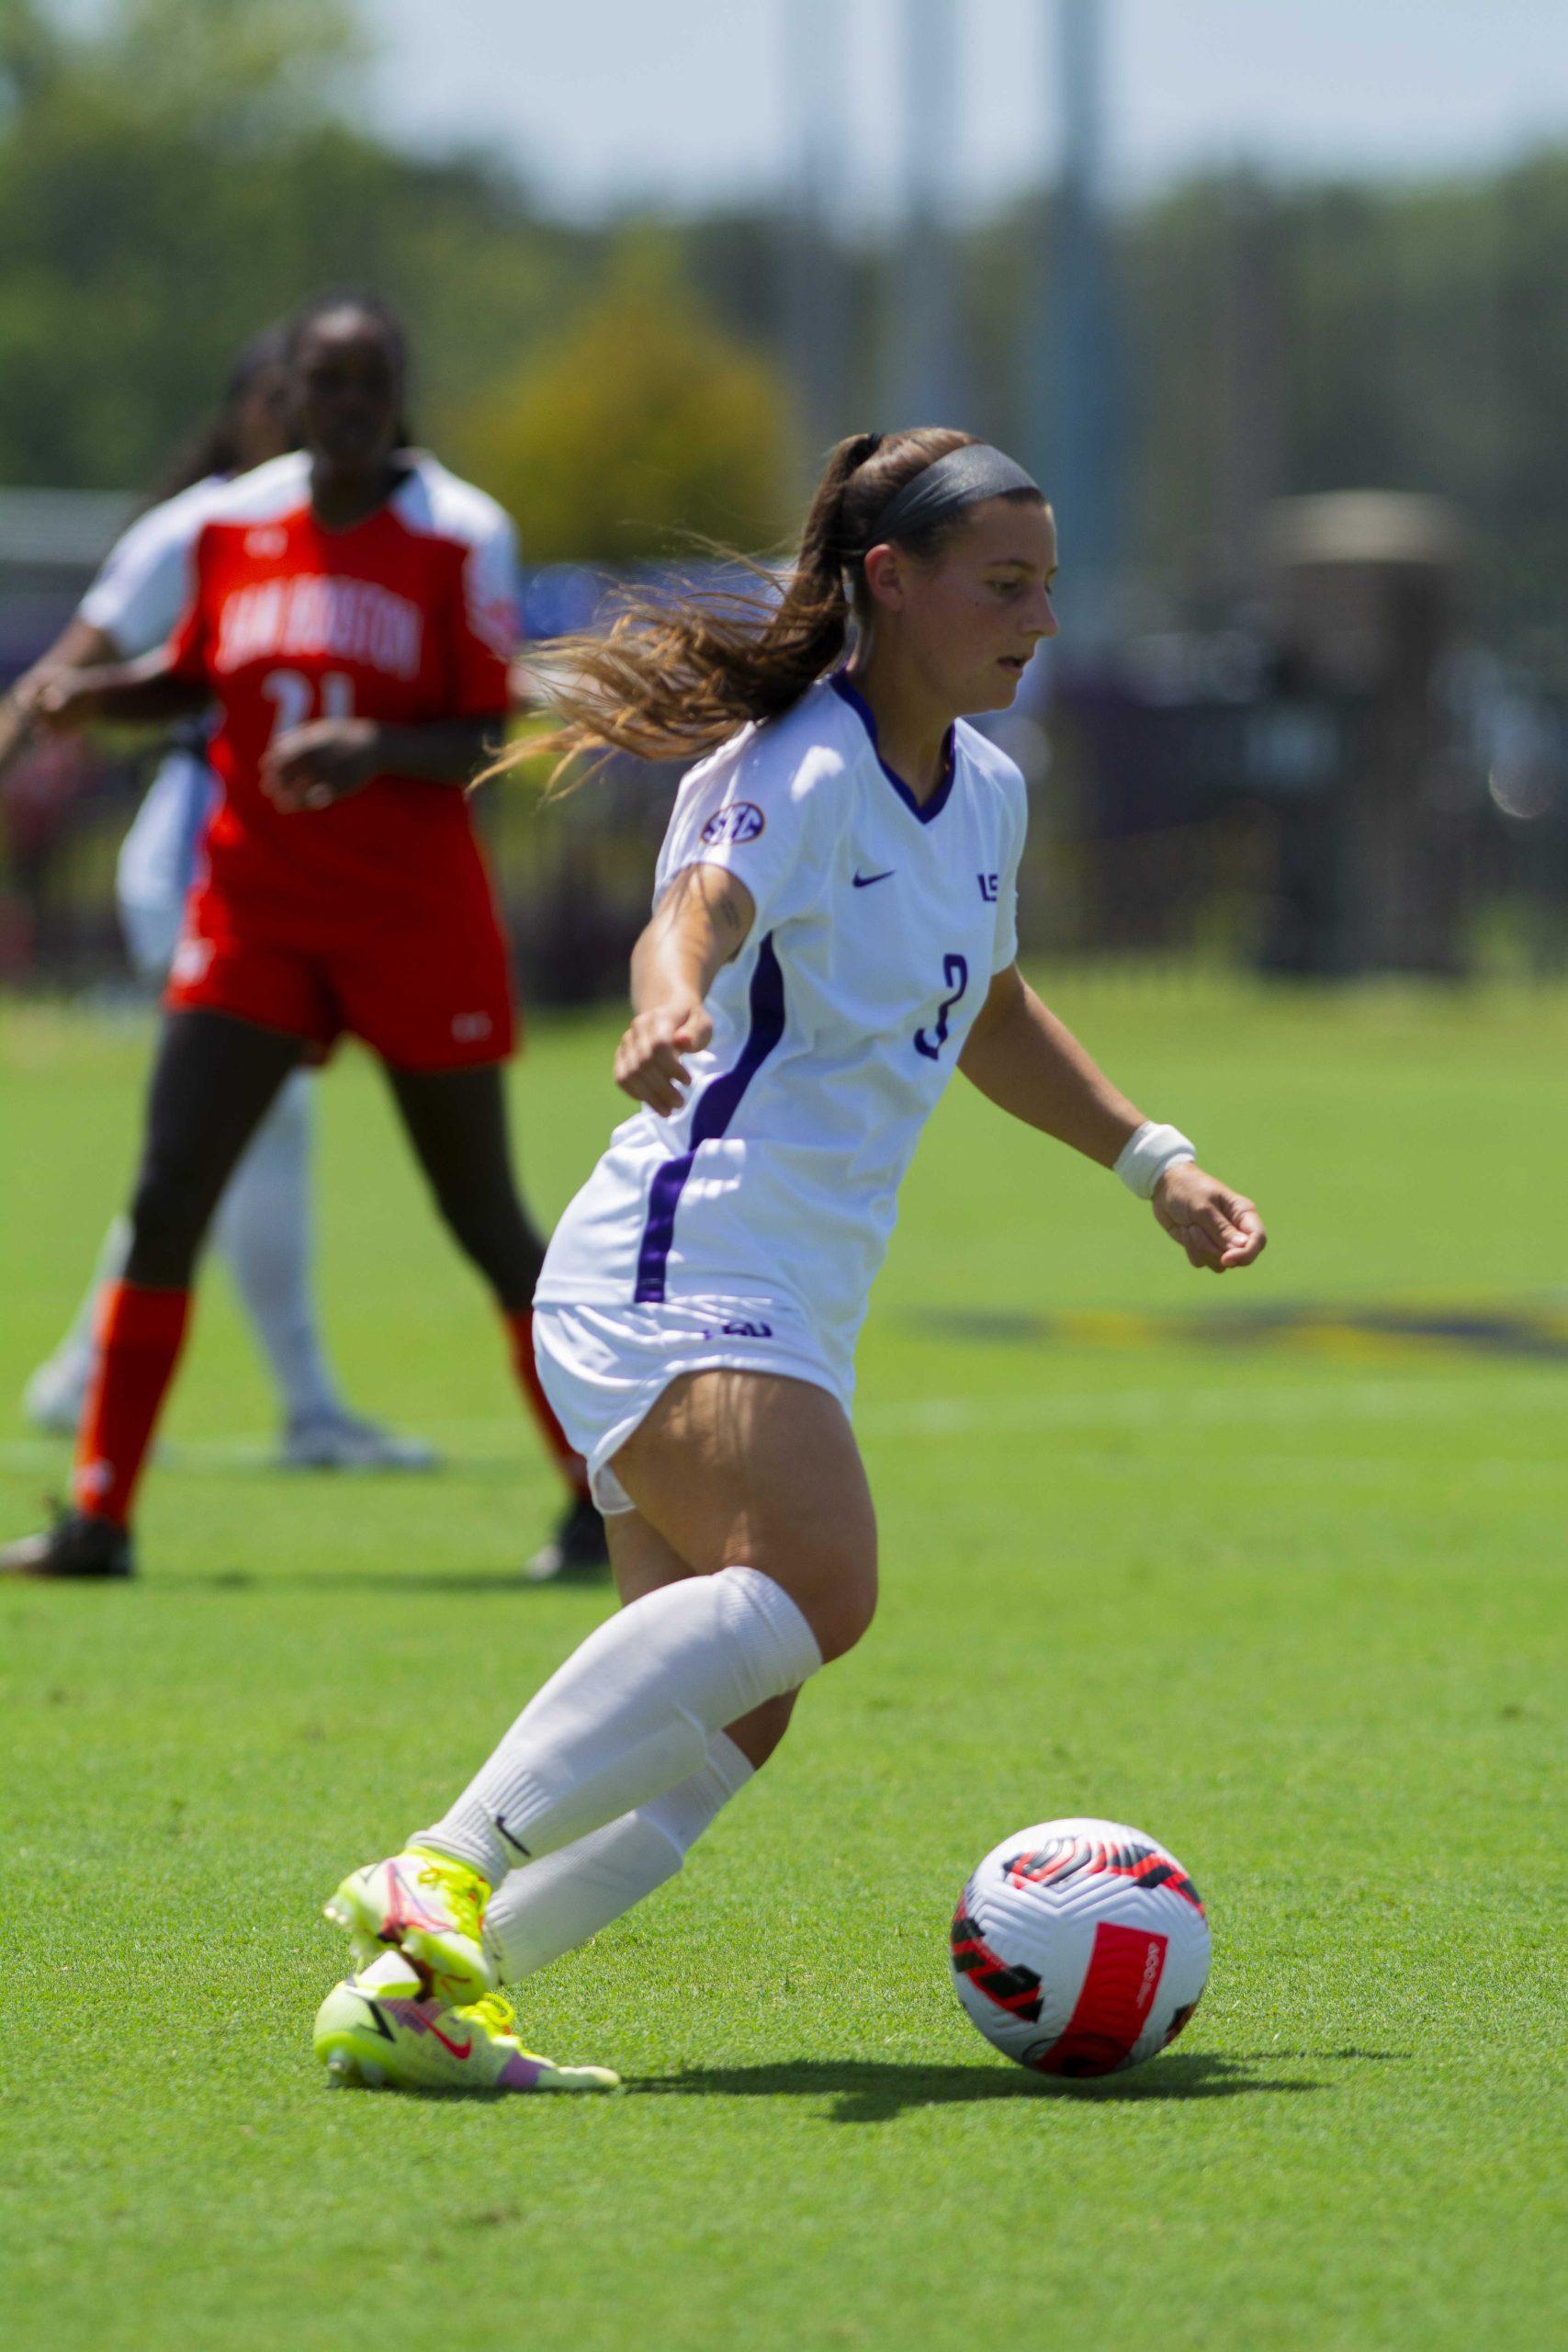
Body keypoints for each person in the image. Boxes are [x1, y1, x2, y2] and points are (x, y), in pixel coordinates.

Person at [304, 427, 1268, 2096]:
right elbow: (699, 898)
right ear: (888, 584)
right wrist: (666, 989)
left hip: (779, 1298)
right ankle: (443, 1863)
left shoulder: (985, 788)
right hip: (679, 1264)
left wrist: (1149, 1160)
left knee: (730, 1717)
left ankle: (428, 1999)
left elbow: (989, 1005)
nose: (1037, 617)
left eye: (1048, 584)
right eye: (1005, 585)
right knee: (822, 1585)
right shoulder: (801, 760)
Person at [0, 290, 604, 1584]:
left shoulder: (456, 531)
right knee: (167, 1199)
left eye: (363, 385)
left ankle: (599, 1496)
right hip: (256, 911)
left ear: (395, 396)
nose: (338, 409)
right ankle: (99, 1517)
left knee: (483, 1215)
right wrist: (92, 696)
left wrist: (373, 747)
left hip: (406, 918)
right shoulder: (235, 521)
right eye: (315, 386)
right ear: (279, 398)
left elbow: (486, 730)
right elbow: (201, 677)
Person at [0, 327, 431, 1472]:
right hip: (201, 862)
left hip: (296, 876)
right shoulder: (205, 523)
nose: (304, 419)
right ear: (249, 410)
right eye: (284, 397)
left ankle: (82, 1372)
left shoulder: (381, 524)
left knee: (205, 1139)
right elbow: (68, 672)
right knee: (256, 1128)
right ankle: (309, 1408)